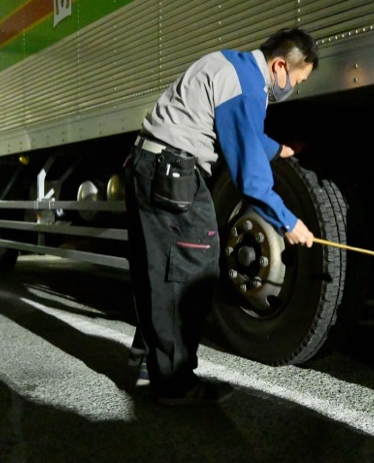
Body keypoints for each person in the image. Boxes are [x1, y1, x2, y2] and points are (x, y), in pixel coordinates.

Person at [125, 27, 318, 405]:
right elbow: (250, 178)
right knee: (192, 273)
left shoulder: (231, 64)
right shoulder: (247, 85)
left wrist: (277, 148)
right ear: (280, 65)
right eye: (297, 80)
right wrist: (289, 222)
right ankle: (174, 384)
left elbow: (239, 130)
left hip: (147, 163)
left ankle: (149, 363)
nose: (292, 88)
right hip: (173, 172)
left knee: (159, 271)